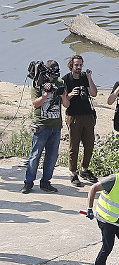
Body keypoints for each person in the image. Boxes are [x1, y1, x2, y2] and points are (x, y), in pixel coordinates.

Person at [22, 60, 64, 193]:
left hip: (56, 126)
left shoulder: (61, 83)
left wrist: (63, 94)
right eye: (53, 74)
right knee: (35, 155)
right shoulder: (38, 83)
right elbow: (35, 104)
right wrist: (45, 95)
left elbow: (67, 104)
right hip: (41, 126)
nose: (55, 77)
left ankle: (46, 182)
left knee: (52, 157)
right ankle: (28, 183)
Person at [62, 54, 98, 188]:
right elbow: (65, 103)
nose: (78, 67)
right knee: (74, 146)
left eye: (80, 65)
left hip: (88, 115)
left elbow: (94, 93)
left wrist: (89, 78)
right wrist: (70, 95)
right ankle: (73, 172)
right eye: (76, 65)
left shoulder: (84, 77)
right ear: (71, 65)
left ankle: (85, 170)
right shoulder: (66, 79)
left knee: (89, 144)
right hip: (73, 116)